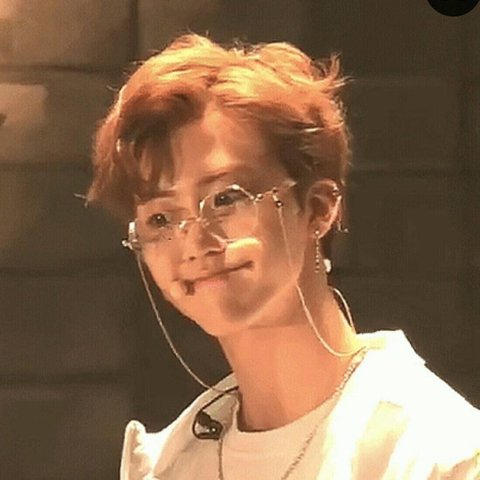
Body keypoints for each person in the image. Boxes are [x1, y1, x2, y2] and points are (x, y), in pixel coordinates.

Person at [86, 33, 480, 479]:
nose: (194, 242)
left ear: (318, 207)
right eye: (160, 219)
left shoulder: (432, 452)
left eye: (225, 198)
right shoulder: (166, 465)